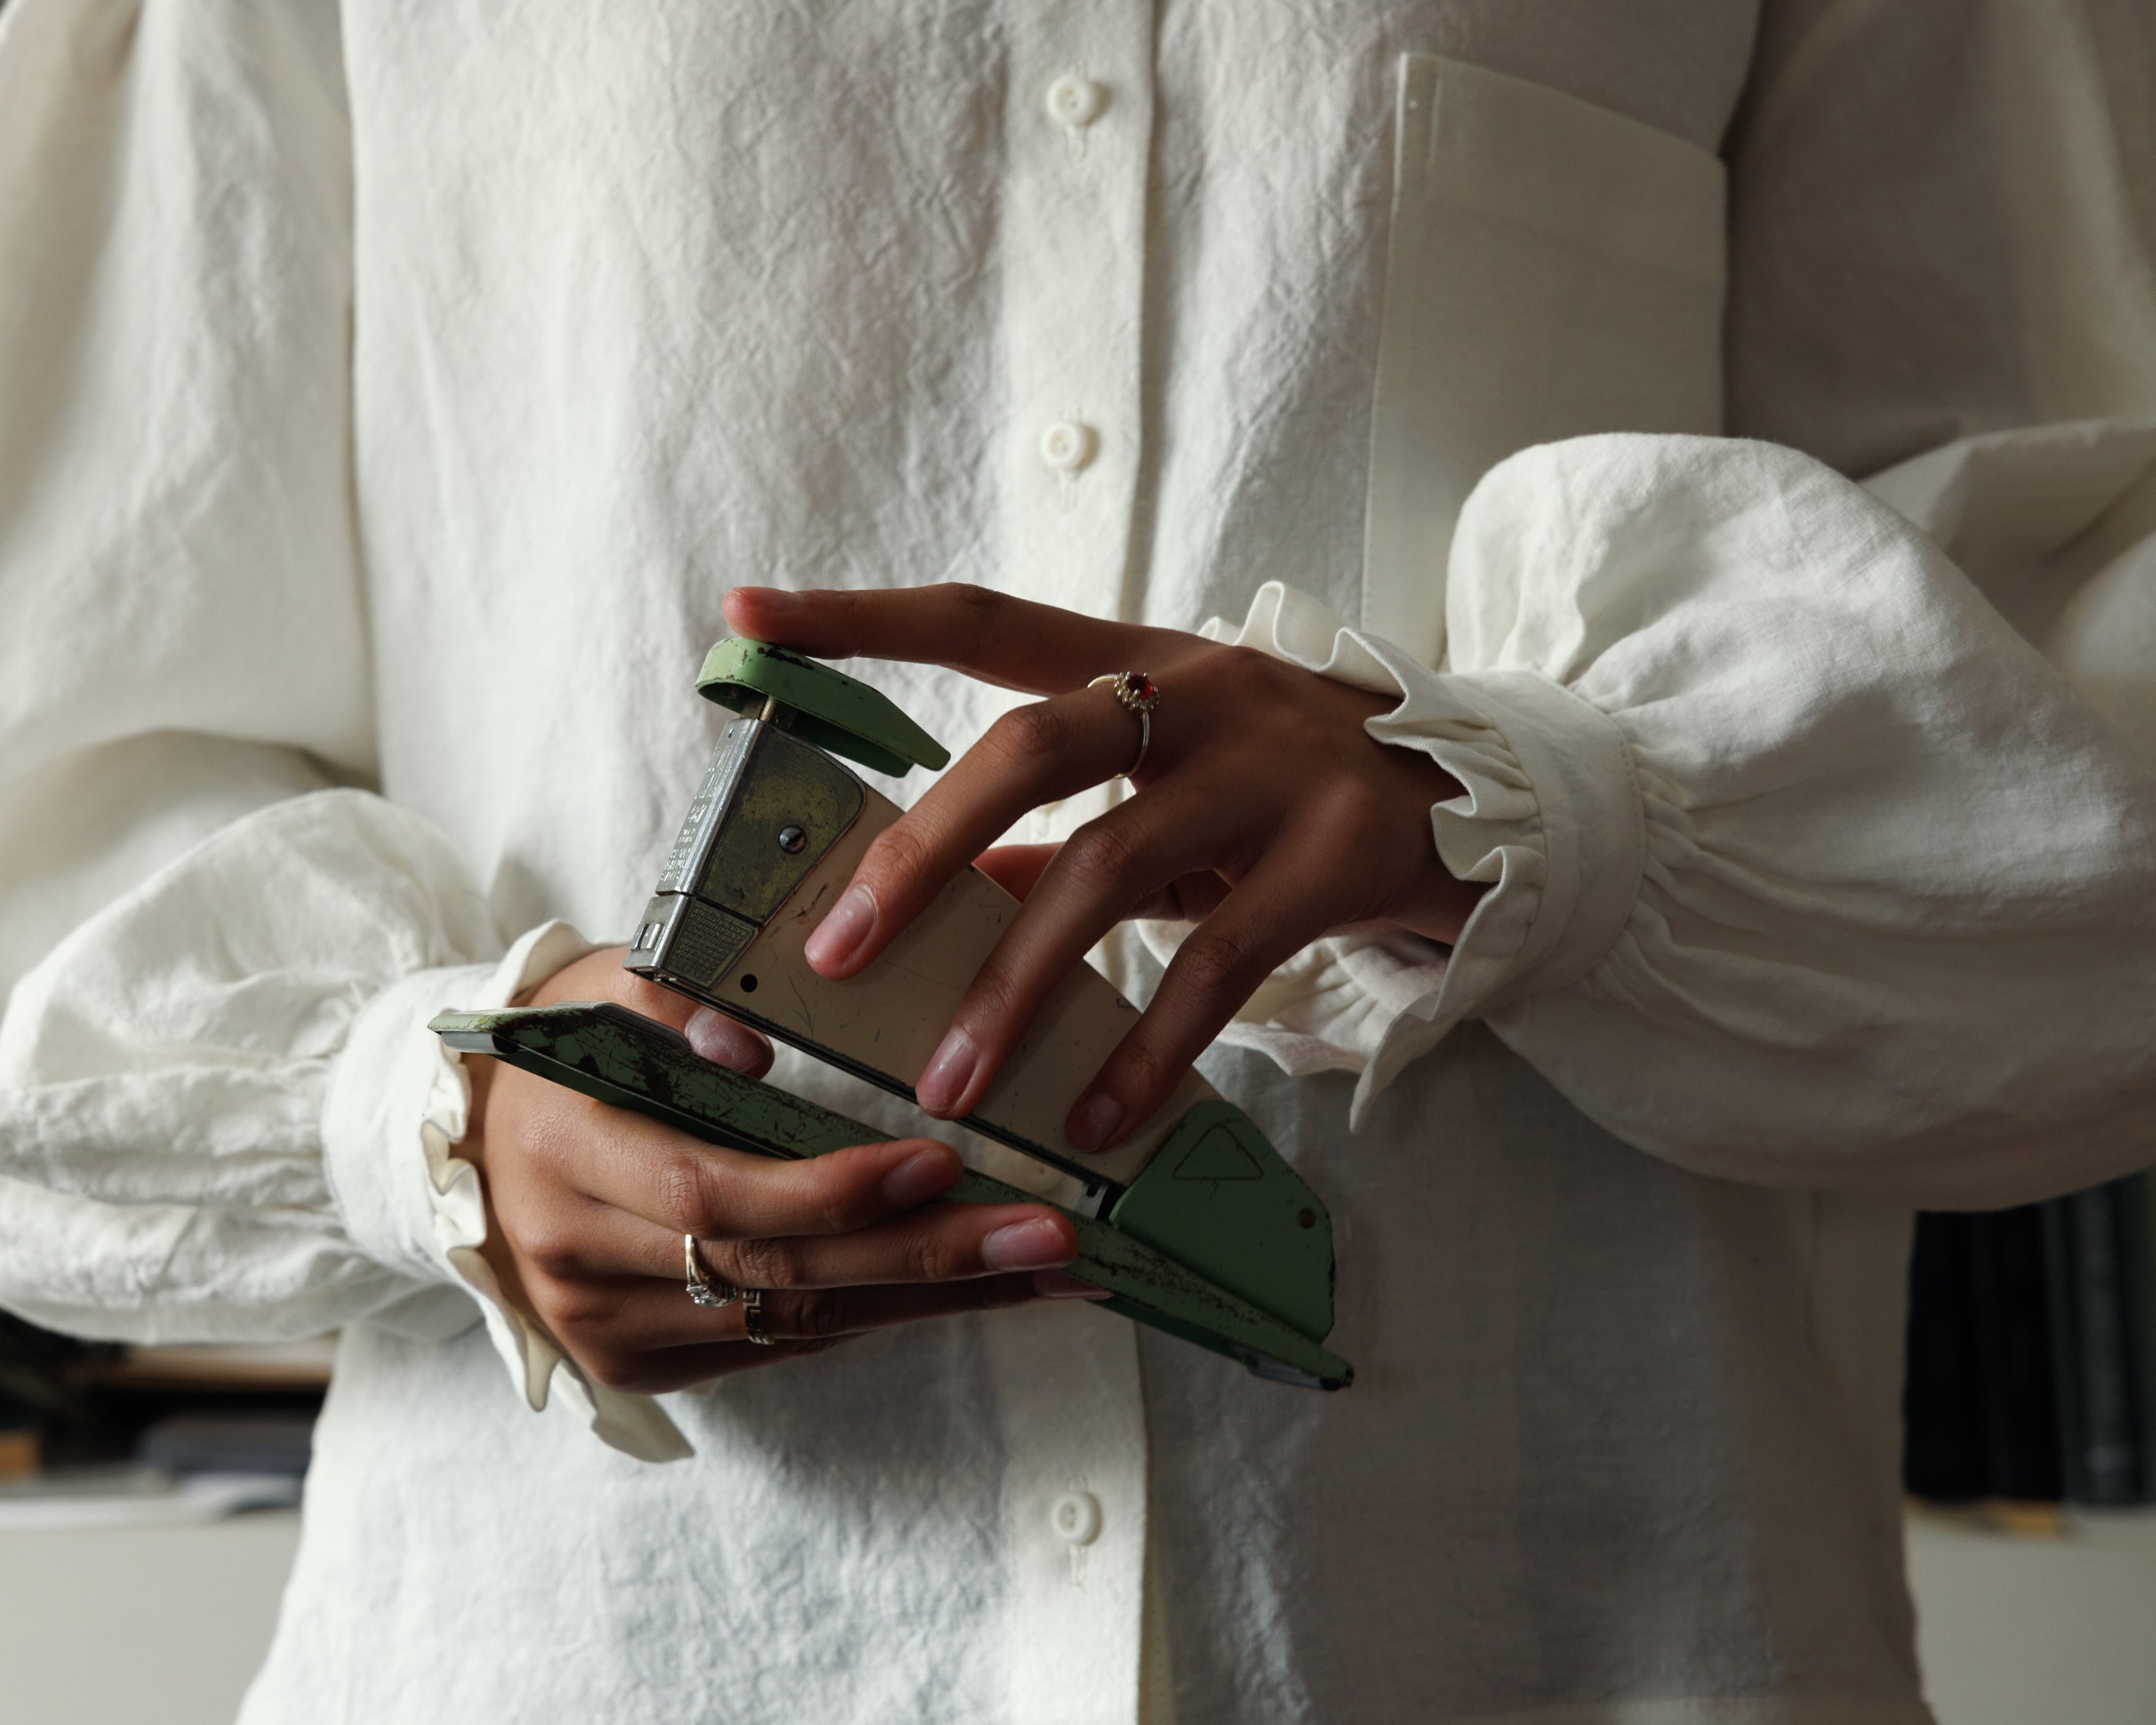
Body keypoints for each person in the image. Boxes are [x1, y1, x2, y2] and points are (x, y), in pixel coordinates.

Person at [2, 2, 2154, 1720]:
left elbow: (2077, 703)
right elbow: (69, 744)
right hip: (594, 1634)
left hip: (1560, 1630)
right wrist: (432, 1105)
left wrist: (1530, 802)